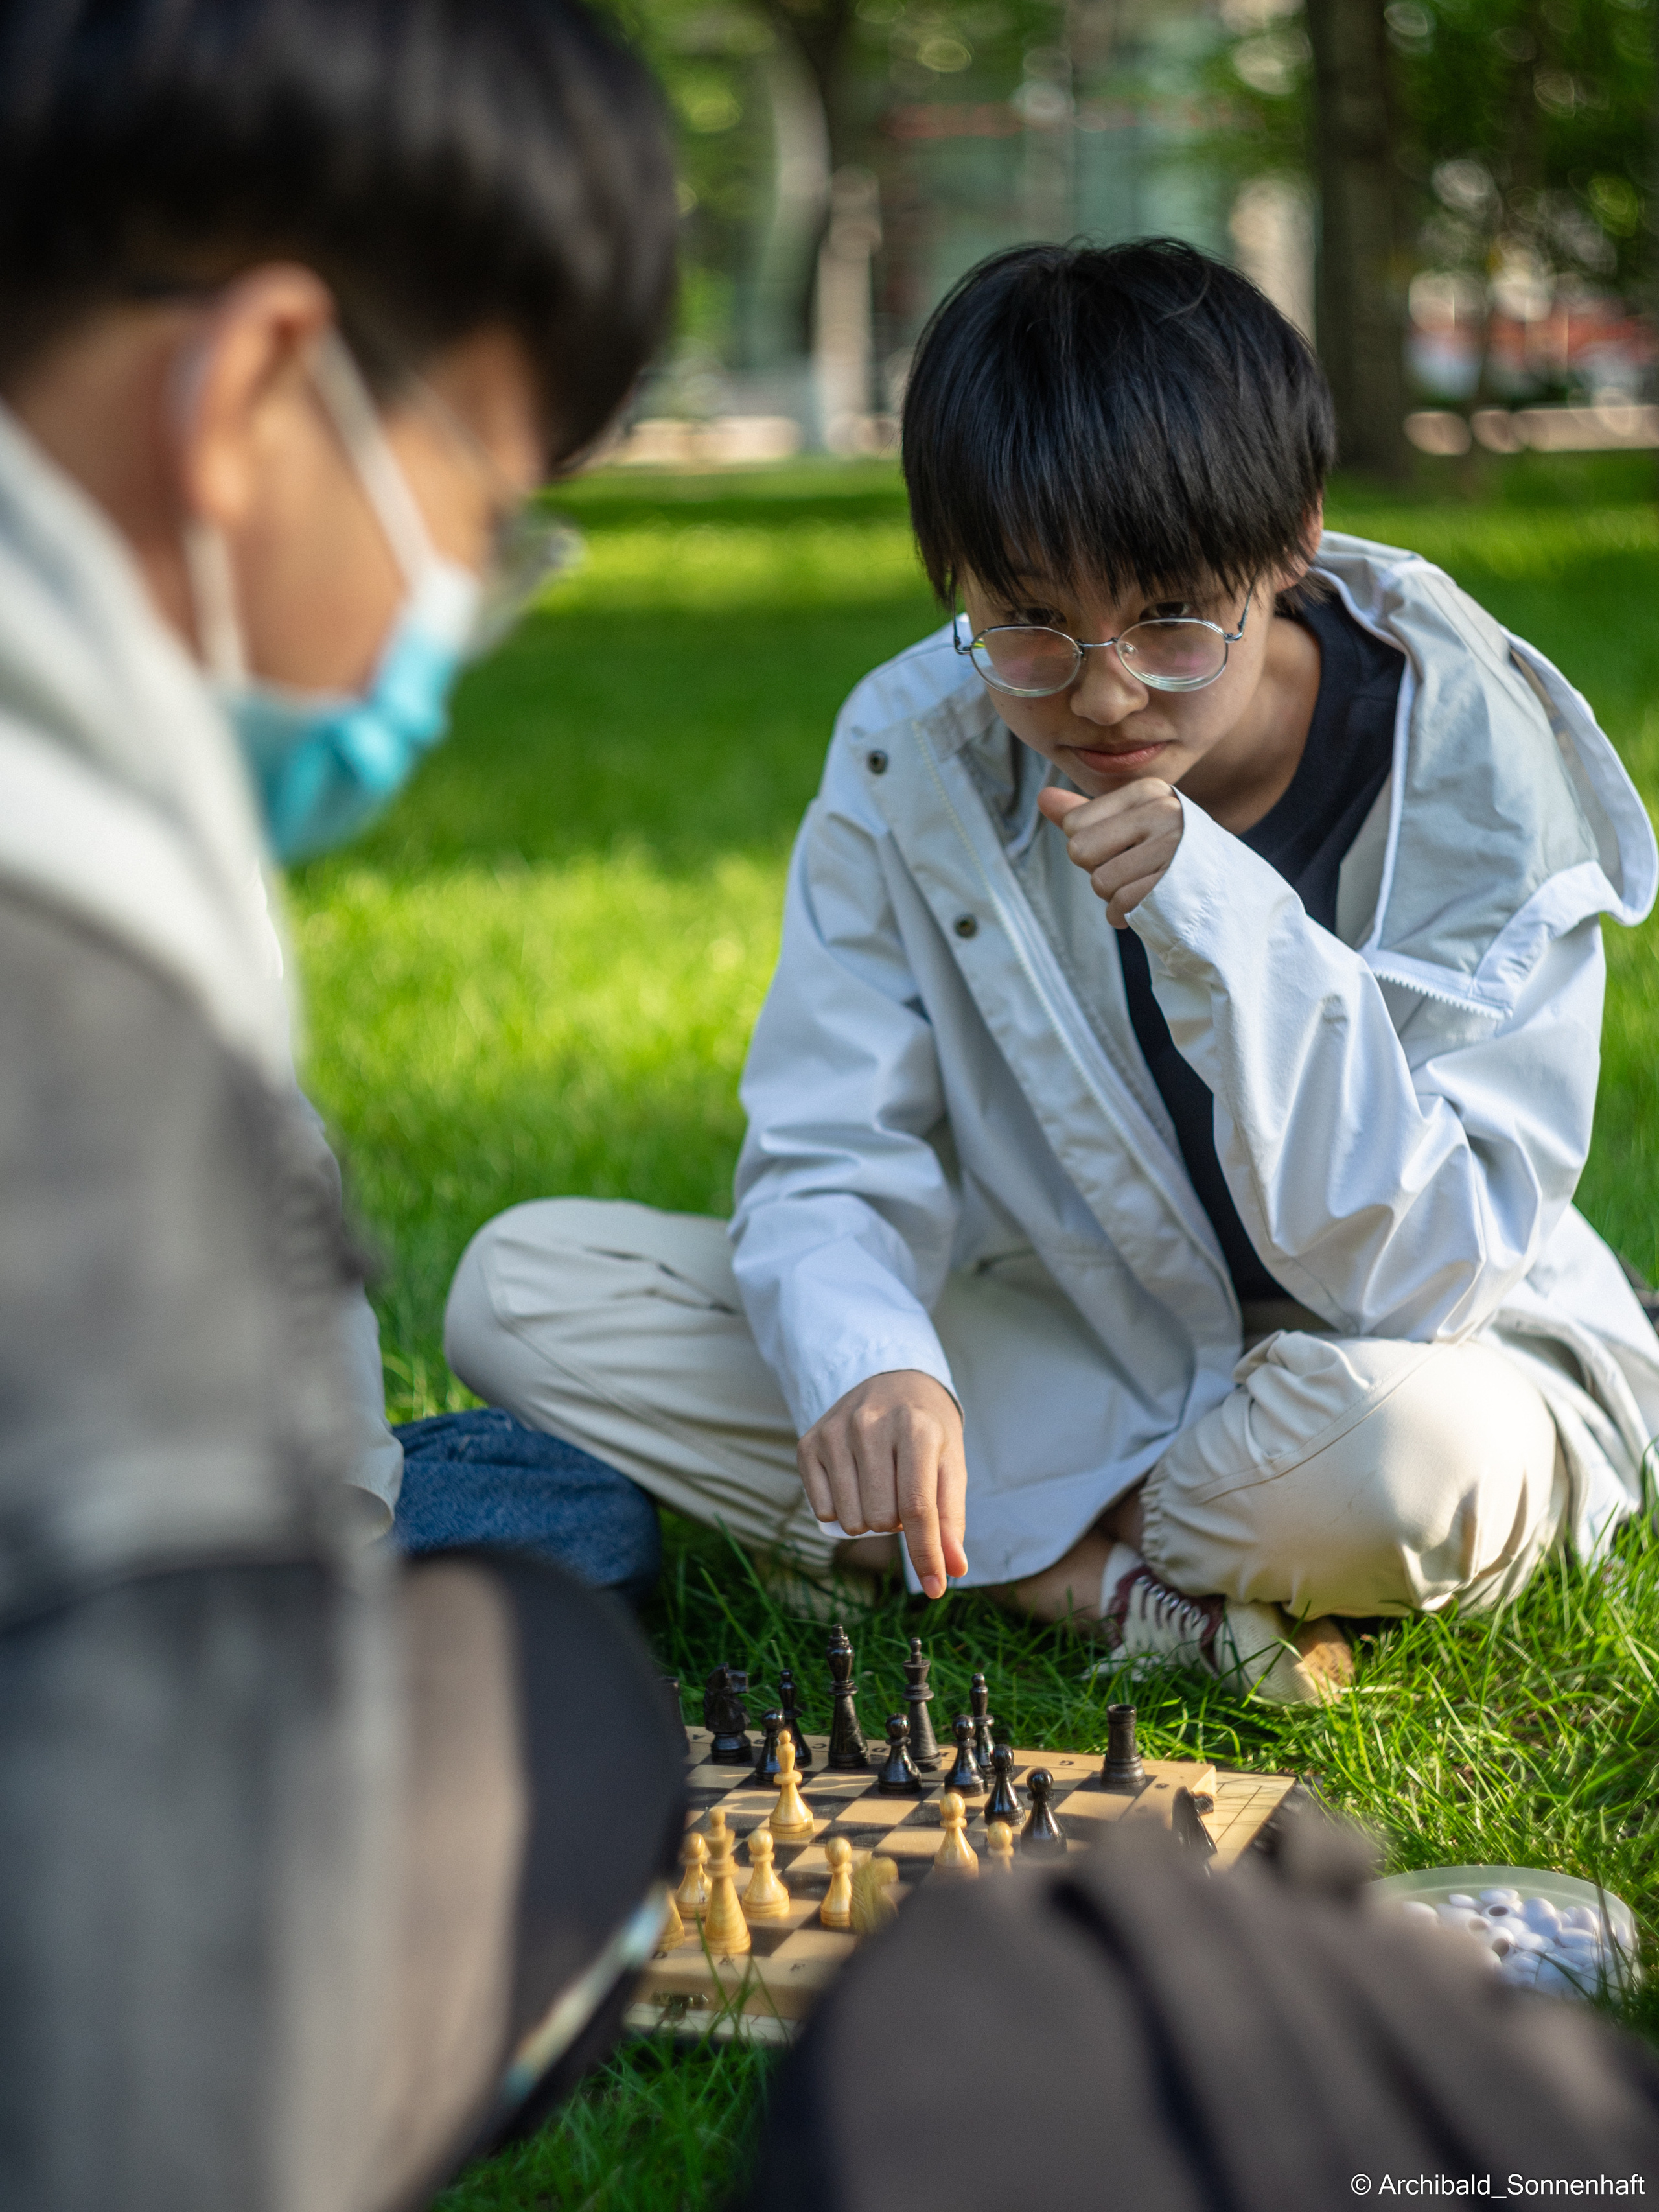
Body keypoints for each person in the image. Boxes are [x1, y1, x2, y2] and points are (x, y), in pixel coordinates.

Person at [443, 240, 1659, 1704]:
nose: (1102, 690)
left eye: (1170, 619)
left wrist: (1226, 920)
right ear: (951, 574)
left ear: (1294, 539)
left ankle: (1004, 1540)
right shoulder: (912, 749)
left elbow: (1431, 1266)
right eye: (1025, 625)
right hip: (1081, 1340)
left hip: (1407, 1365)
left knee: (1394, 1467)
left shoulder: (1473, 766)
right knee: (519, 1291)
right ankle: (1102, 1584)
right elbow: (828, 1147)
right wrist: (872, 1365)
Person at [0, 1, 686, 2206]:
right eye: (479, 519)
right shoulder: (98, 1098)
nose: (452, 622)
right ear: (252, 397)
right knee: (555, 1705)